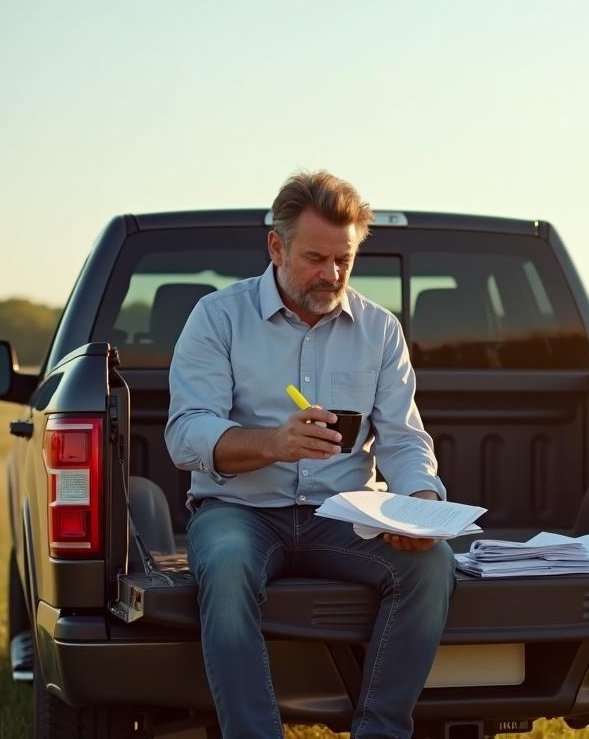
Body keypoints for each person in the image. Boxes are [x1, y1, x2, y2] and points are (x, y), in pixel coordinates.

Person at [165, 170, 455, 739]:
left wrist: (419, 502)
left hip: (345, 514)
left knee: (432, 564)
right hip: (238, 512)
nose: (332, 275)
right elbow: (187, 432)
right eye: (315, 258)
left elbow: (401, 437)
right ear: (276, 246)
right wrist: (273, 443)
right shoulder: (217, 317)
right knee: (224, 568)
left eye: (344, 260)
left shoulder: (380, 330)